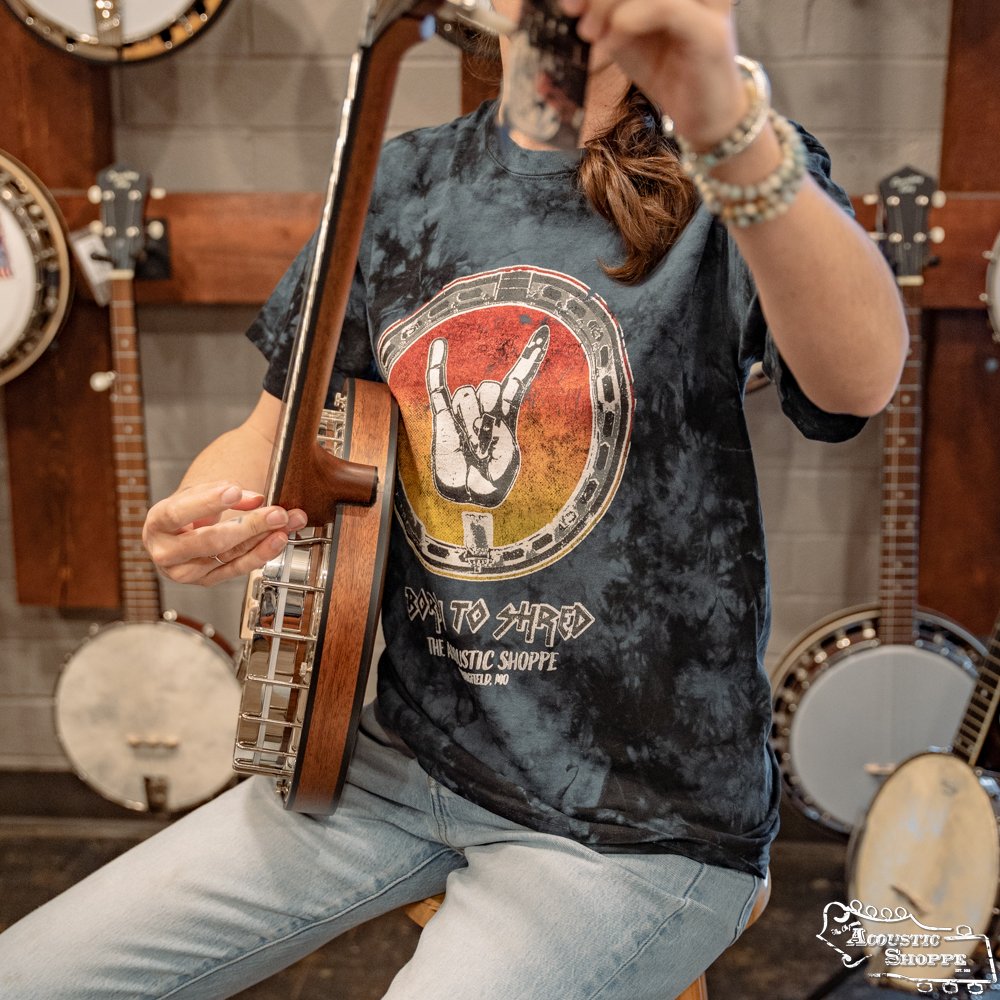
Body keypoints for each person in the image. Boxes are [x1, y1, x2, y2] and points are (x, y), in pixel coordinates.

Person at [0, 1, 907, 997]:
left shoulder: (733, 166)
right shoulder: (399, 179)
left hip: (637, 825)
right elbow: (270, 436)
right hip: (392, 765)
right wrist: (200, 508)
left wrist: (725, 117)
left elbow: (855, 382)